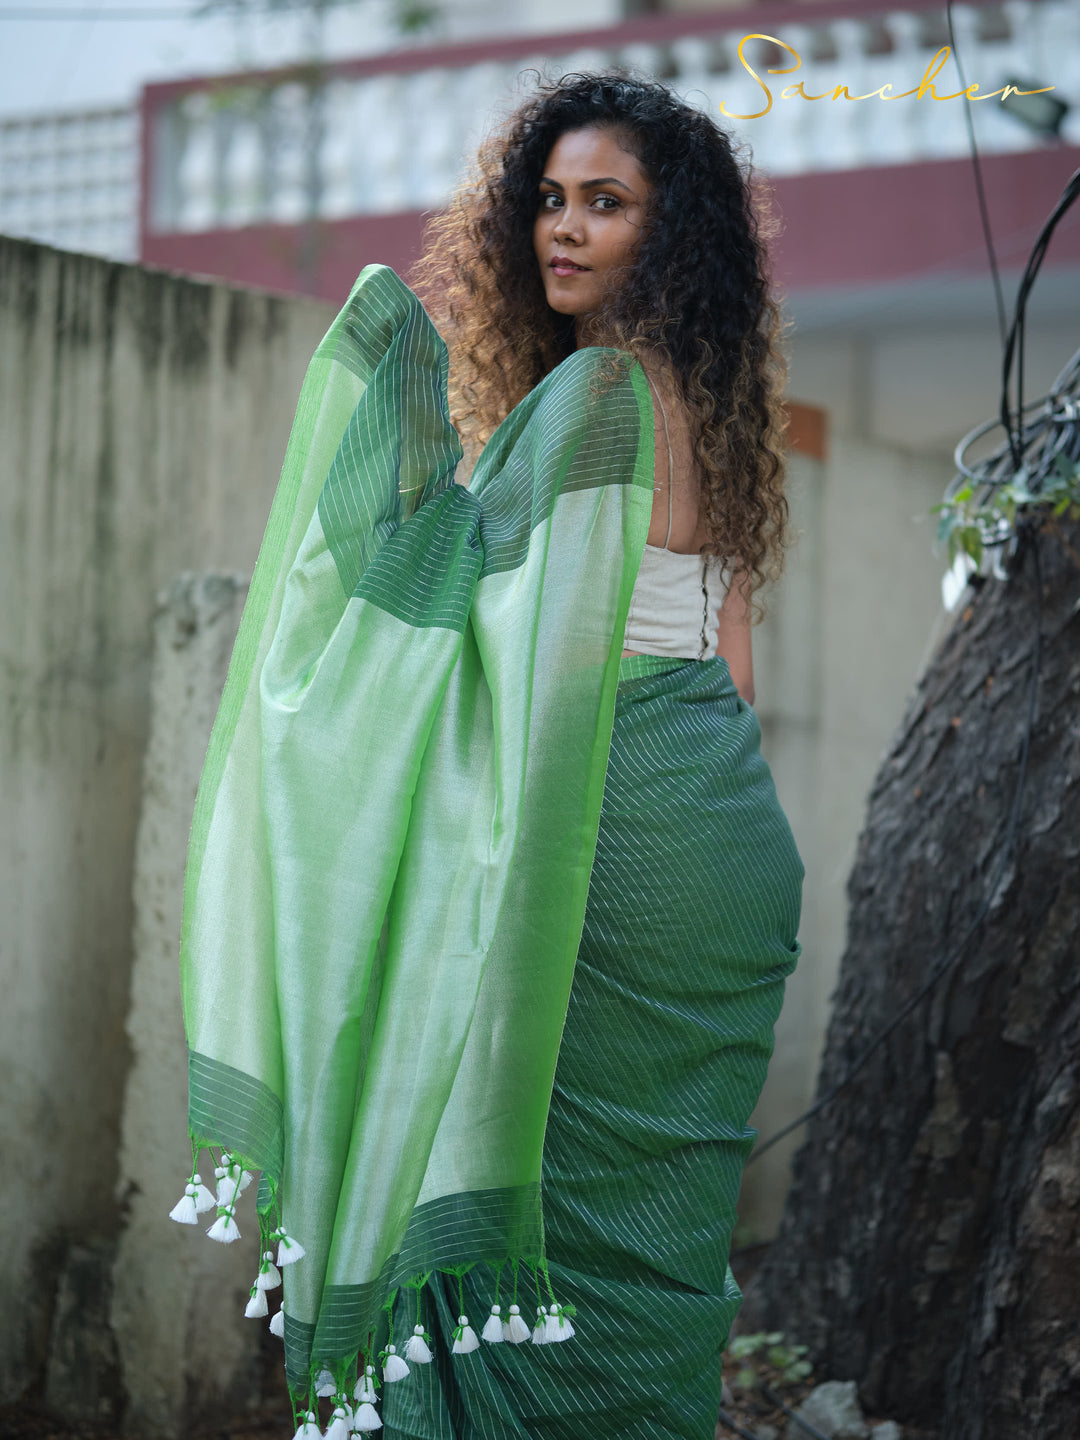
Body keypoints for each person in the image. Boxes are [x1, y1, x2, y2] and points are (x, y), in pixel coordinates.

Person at [172, 72, 803, 1440]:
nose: (563, 231)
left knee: (521, 1201)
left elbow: (447, 599)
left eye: (607, 205)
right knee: (650, 1231)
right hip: (723, 825)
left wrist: (376, 401)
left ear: (669, 232)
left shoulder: (597, 401)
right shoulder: (708, 406)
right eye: (551, 201)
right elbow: (722, 651)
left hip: (613, 825)